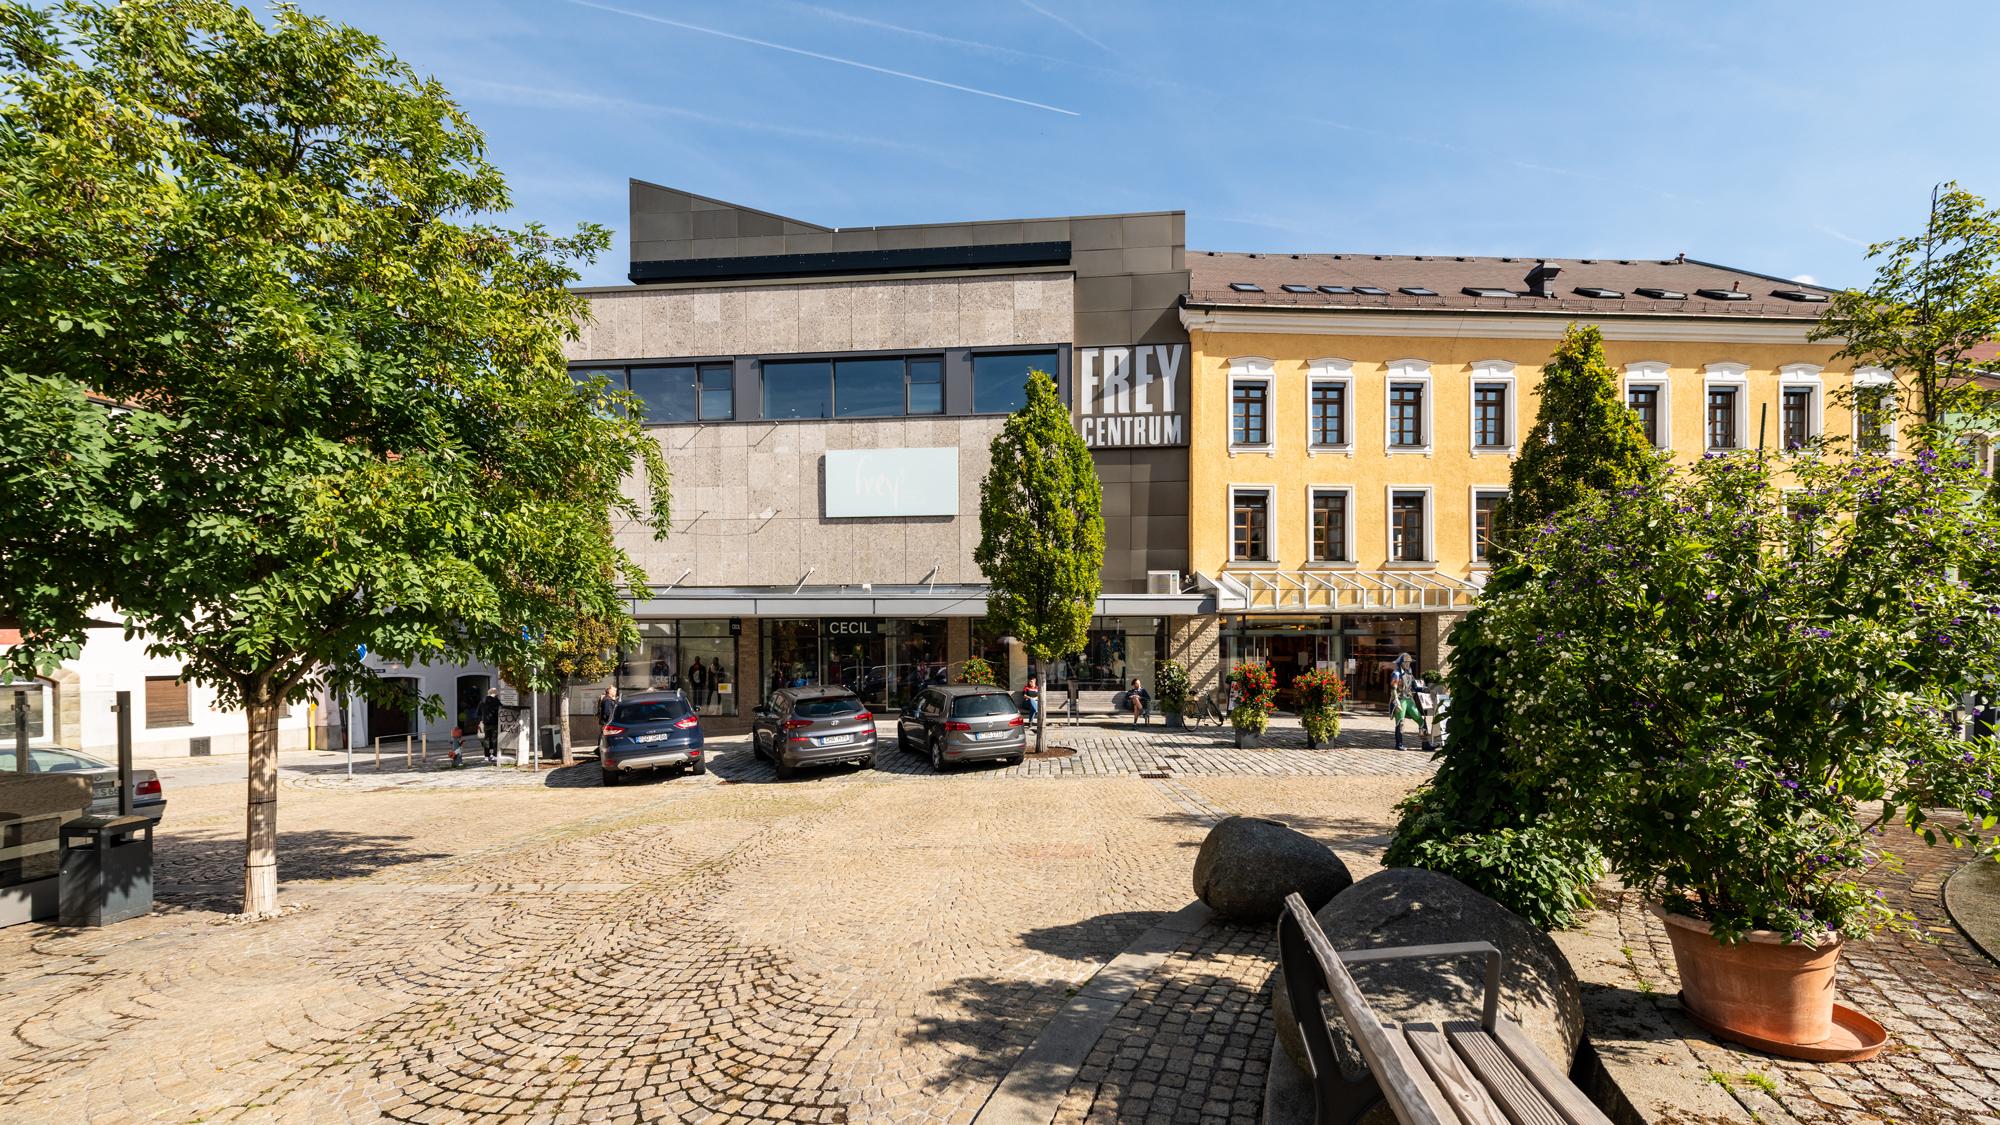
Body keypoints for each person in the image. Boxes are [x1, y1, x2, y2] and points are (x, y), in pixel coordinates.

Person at [1389, 653, 1419, 750]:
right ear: (1401, 662)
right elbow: (1393, 688)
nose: (1408, 664)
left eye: (1409, 662)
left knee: (1421, 720)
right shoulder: (1396, 674)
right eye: (1406, 662)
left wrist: (1426, 689)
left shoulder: (1409, 673)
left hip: (1409, 700)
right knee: (1400, 722)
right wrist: (1396, 700)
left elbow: (1415, 686)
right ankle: (1399, 744)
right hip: (1400, 699)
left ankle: (1426, 742)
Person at [477, 688, 501, 762]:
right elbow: (502, 710)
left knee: (486, 739)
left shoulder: (482, 701)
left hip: (486, 723)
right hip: (495, 723)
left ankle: (486, 757)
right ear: (495, 694)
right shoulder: (497, 701)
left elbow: (478, 712)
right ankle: (494, 756)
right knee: (495, 739)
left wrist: (482, 719)